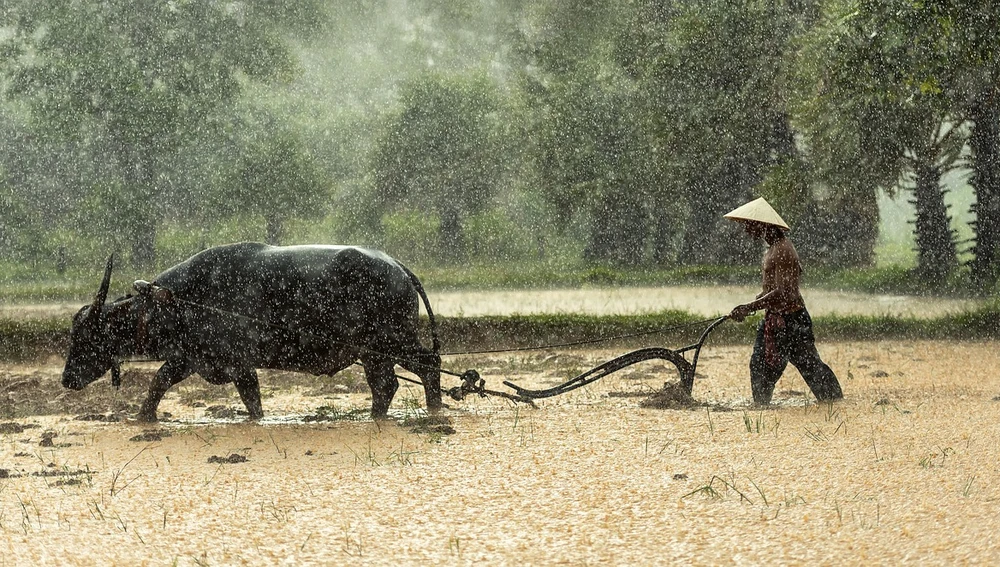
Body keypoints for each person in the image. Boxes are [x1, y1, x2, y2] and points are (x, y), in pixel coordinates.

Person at [724, 197, 843, 405]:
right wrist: (756, 302)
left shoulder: (783, 250)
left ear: (762, 225)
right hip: (778, 319)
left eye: (749, 225)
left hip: (791, 321)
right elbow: (772, 290)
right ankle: (763, 407)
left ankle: (833, 402)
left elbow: (783, 293)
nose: (746, 230)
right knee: (770, 365)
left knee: (806, 366)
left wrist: (749, 307)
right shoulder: (772, 249)